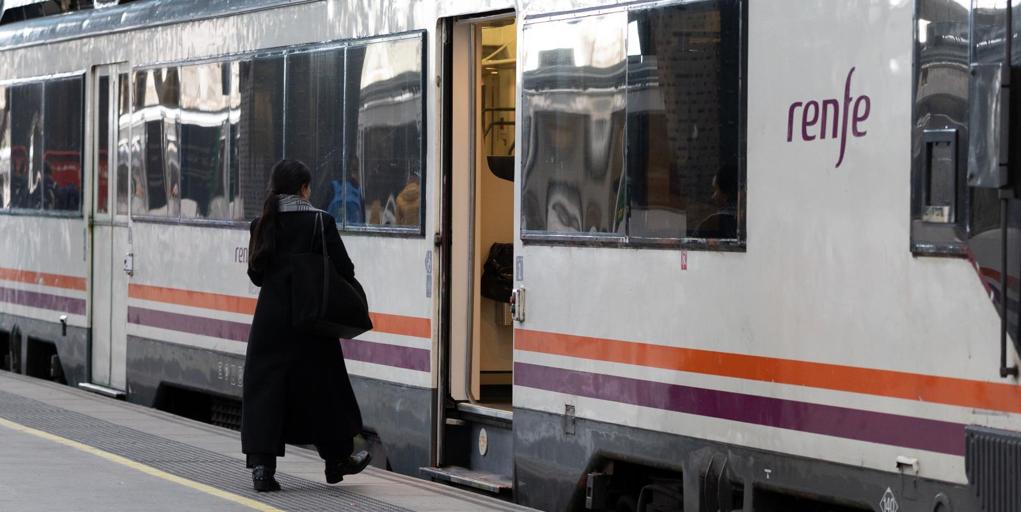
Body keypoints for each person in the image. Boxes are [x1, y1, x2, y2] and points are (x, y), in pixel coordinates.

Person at [243, 159, 371, 492]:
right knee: (325, 387)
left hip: (271, 321)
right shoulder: (320, 222)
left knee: (265, 390)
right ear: (304, 188)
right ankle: (337, 460)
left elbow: (256, 276)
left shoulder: (262, 222)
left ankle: (262, 469)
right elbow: (344, 268)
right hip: (311, 320)